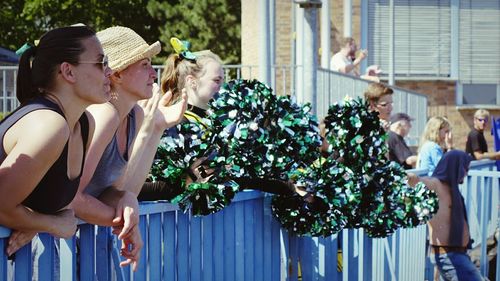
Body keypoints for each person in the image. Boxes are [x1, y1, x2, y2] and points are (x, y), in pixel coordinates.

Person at [70, 26, 187, 270]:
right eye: (144, 64)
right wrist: (125, 221)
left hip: (85, 245)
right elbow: (71, 197)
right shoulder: (104, 114)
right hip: (59, 248)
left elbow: (118, 190)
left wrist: (127, 200)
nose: (153, 74)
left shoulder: (133, 114)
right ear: (117, 74)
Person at [137, 42, 298, 202]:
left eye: (223, 81)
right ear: (192, 81)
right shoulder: (175, 124)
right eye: (217, 80)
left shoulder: (216, 123)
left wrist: (287, 185)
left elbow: (237, 176)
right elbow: (151, 185)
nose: (223, 87)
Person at [0, 25, 111, 256]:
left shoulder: (84, 123)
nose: (109, 72)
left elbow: (60, 201)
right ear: (68, 72)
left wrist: (38, 219)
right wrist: (51, 224)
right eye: (101, 62)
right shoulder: (49, 125)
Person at [408, 150, 483, 281]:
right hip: (448, 255)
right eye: (465, 169)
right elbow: (420, 182)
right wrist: (408, 177)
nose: (466, 173)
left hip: (459, 253)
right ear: (456, 167)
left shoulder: (452, 188)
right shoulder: (437, 185)